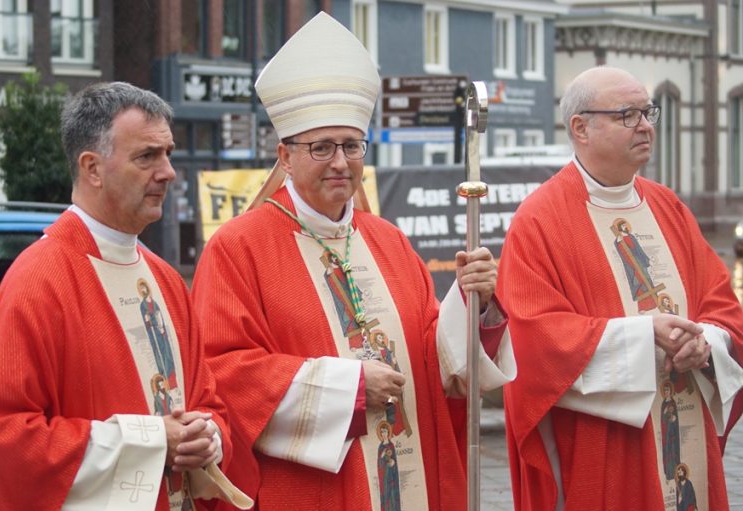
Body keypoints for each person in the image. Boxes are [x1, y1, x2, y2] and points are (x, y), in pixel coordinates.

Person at [191, 12, 515, 511]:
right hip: (317, 490)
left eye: (351, 145)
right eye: (321, 147)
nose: (341, 162)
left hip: (410, 474)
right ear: (285, 155)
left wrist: (477, 307)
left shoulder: (388, 241)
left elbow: (431, 355)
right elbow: (226, 372)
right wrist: (351, 387)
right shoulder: (238, 248)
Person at [0, 82, 254, 511]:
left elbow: (208, 403)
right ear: (92, 168)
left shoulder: (165, 280)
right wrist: (152, 439)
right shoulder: (37, 282)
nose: (168, 172)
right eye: (147, 156)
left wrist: (208, 438)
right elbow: (8, 444)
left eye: (168, 153)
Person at [497, 65, 743, 510]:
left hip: (686, 423)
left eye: (648, 112)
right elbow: (533, 339)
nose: (645, 125)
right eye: (627, 114)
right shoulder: (540, 221)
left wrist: (705, 342)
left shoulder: (668, 207)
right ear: (580, 128)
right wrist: (643, 336)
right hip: (606, 445)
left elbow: (722, 305)